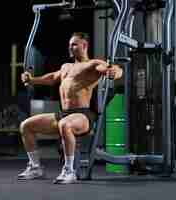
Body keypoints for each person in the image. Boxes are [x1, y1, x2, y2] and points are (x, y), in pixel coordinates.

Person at [18, 32, 123, 184]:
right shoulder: (66, 66)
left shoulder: (92, 64)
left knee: (65, 125)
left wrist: (115, 72)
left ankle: (69, 171)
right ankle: (35, 167)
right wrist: (32, 79)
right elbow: (53, 77)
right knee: (26, 126)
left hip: (83, 115)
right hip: (64, 114)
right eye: (69, 45)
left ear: (84, 45)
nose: (70, 47)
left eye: (74, 44)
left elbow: (113, 69)